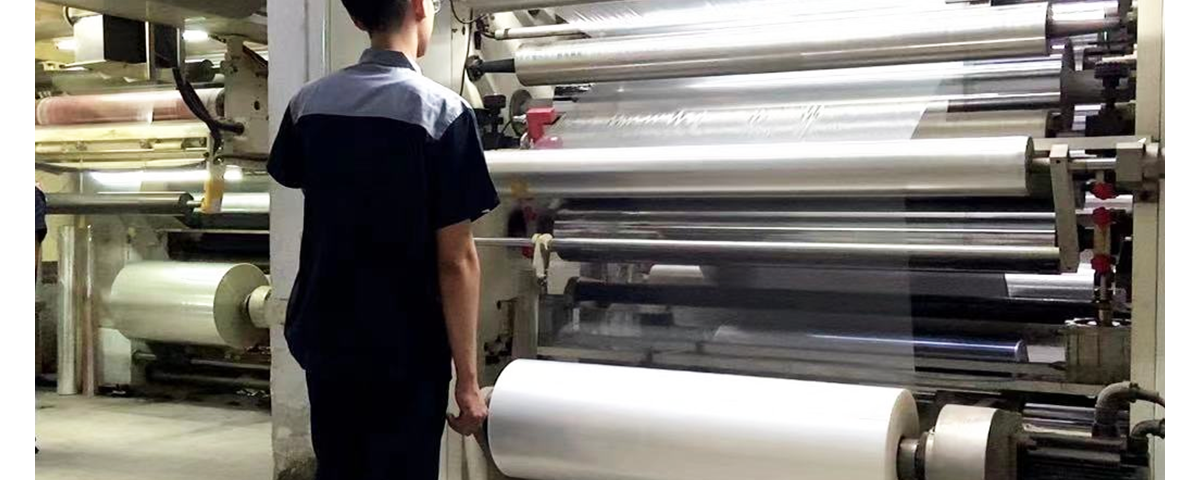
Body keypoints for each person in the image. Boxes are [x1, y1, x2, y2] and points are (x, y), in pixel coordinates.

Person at [267, 0, 498, 478]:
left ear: (357, 18)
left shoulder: (307, 105)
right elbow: (456, 261)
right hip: (405, 351)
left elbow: (312, 192)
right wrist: (468, 383)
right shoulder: (444, 113)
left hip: (327, 340)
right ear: (417, 6)